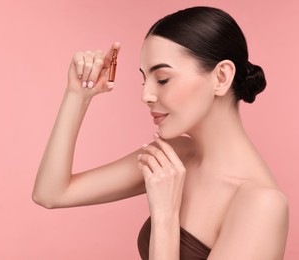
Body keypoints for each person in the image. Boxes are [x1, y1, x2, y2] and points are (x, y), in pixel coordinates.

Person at [32, 6, 289, 260]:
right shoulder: (174, 157)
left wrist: (166, 217)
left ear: (221, 77)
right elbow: (51, 194)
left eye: (163, 79)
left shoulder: (262, 206)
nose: (146, 96)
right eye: (145, 79)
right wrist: (78, 95)